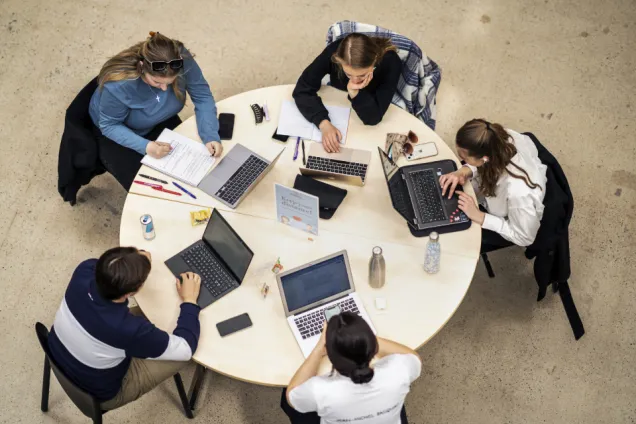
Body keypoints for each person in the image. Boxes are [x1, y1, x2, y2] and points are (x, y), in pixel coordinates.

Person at [47, 246, 202, 410]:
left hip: (56, 351)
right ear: (132, 292)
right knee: (187, 358)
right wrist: (190, 300)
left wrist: (135, 259)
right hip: (99, 392)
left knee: (145, 325)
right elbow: (185, 348)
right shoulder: (128, 329)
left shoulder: (84, 270)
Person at [89, 31, 223, 190]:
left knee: (197, 179)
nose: (165, 89)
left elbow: (202, 95)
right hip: (119, 132)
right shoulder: (119, 84)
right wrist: (146, 147)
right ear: (141, 68)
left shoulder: (180, 58)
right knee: (151, 190)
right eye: (157, 82)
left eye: (171, 82)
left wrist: (210, 134)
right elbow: (109, 125)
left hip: (158, 117)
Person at [281, 312, 421, 424]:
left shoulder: (320, 391)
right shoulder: (399, 371)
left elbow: (291, 395)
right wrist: (362, 337)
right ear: (372, 347)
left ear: (331, 357)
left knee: (284, 394)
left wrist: (318, 349)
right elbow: (414, 358)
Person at [439, 119, 548, 252]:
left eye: (465, 159)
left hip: (508, 218)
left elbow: (525, 237)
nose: (462, 161)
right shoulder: (495, 138)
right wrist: (464, 171)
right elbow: (484, 162)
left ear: (484, 159)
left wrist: (479, 216)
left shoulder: (519, 192)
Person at [293, 33, 402, 153]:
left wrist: (354, 92)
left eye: (362, 75)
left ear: (375, 60)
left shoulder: (391, 62)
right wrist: (323, 123)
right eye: (348, 74)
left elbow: (373, 117)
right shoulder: (333, 52)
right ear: (339, 61)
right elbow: (302, 88)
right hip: (339, 102)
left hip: (367, 106)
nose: (354, 80)